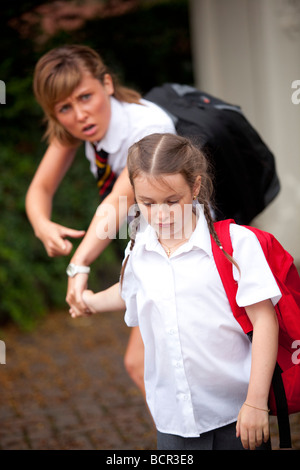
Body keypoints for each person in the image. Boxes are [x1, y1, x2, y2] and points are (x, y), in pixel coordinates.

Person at [80, 133, 281, 450]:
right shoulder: (139, 249)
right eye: (147, 203)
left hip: (237, 416)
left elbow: (265, 322)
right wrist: (89, 300)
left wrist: (256, 402)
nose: (160, 215)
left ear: (196, 187)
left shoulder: (236, 246)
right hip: (172, 421)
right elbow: (130, 292)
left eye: (172, 201)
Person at [25, 44, 176, 395]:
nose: (79, 114)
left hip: (182, 247)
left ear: (107, 84)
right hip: (151, 245)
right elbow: (39, 189)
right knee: (148, 367)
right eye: (64, 107)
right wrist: (42, 224)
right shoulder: (84, 127)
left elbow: (119, 202)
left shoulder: (150, 127)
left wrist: (79, 265)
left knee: (146, 365)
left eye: (85, 97)